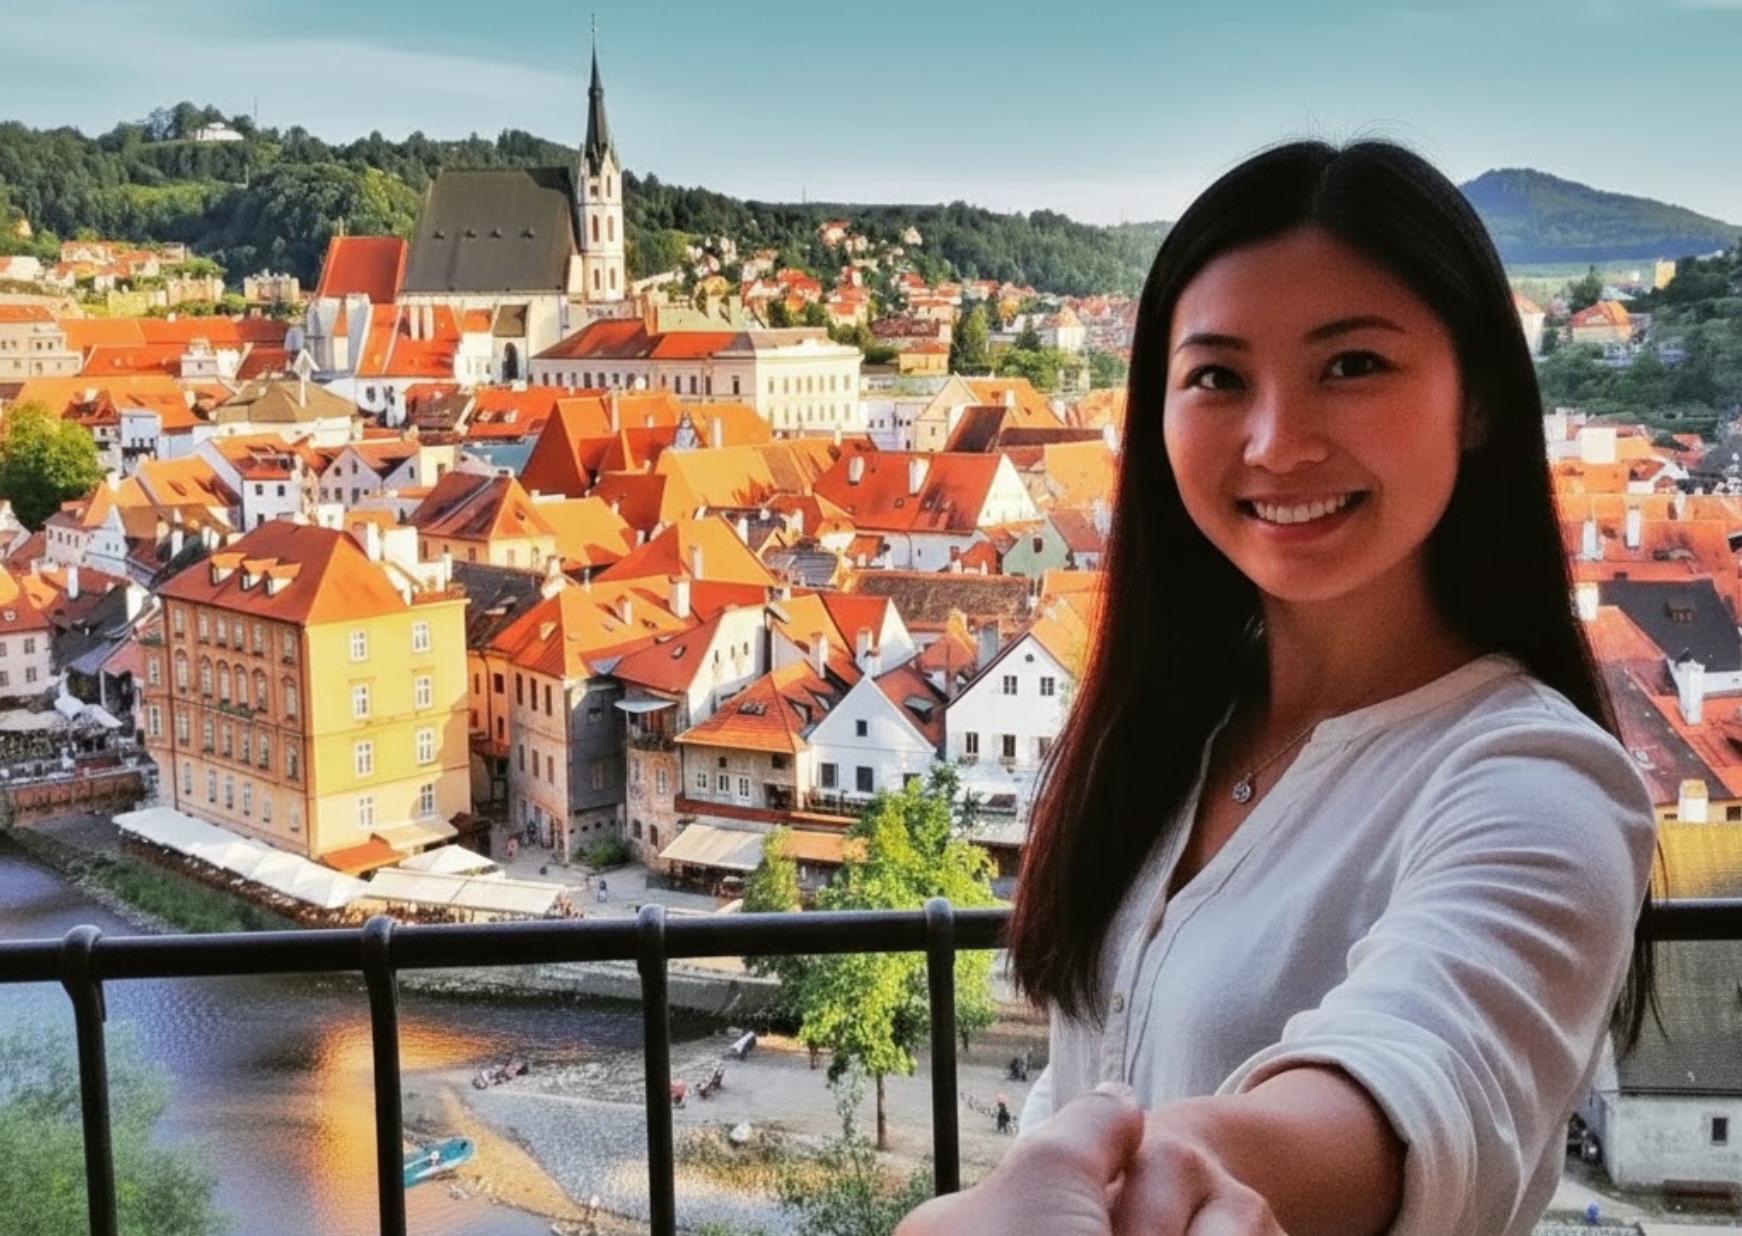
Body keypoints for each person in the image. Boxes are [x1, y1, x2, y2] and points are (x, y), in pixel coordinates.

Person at [897, 139, 1656, 1236]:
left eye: (1352, 365)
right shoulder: (1165, 727)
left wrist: (1184, 1171)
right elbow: (1088, 1074)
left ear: (1478, 401)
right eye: (1217, 377)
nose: (1276, 441)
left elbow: (1421, 1071)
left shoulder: (1539, 780)